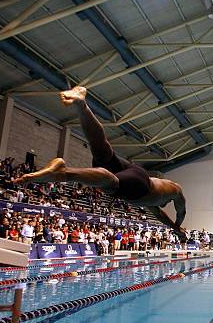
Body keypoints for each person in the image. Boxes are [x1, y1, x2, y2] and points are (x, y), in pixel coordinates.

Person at [14, 86, 188, 241]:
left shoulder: (169, 192)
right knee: (111, 183)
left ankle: (82, 104)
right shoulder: (158, 200)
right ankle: (64, 173)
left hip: (135, 171)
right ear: (165, 204)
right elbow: (181, 212)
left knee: (103, 151)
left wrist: (176, 225)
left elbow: (175, 212)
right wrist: (178, 227)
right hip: (138, 185)